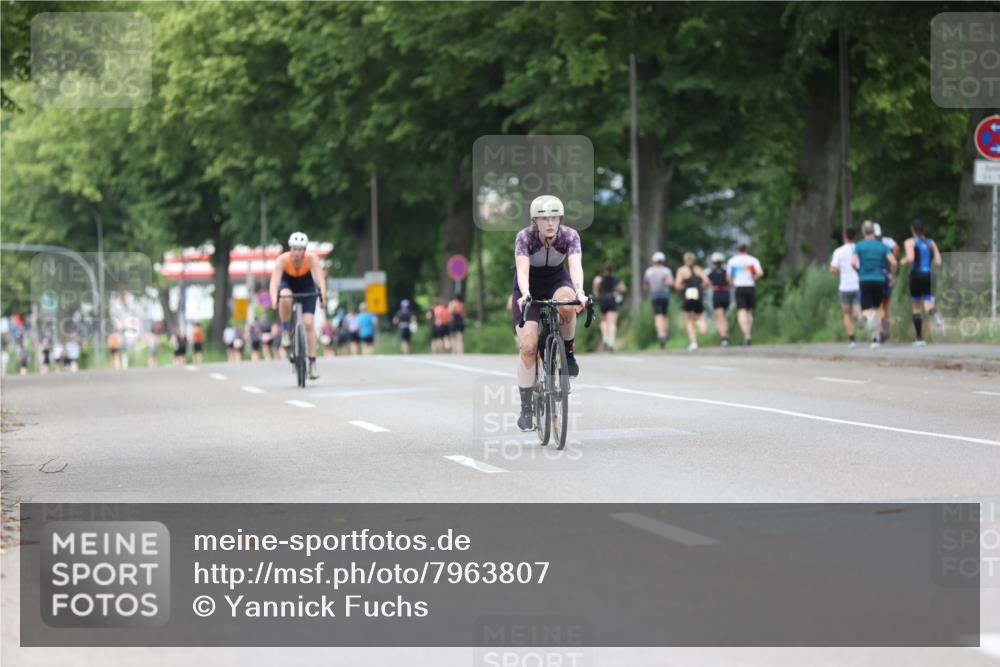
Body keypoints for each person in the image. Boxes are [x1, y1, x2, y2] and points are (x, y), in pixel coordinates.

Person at [512, 194, 588, 431]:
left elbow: (575, 266)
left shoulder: (569, 236)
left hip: (557, 279)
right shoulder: (525, 238)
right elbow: (522, 270)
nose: (550, 223)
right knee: (529, 347)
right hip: (529, 286)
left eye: (554, 217)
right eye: (544, 219)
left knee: (567, 304)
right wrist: (525, 293)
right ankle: (527, 409)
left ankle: (568, 349)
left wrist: (580, 291)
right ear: (534, 220)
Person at [269, 231, 327, 380]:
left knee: (308, 323)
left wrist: (323, 297)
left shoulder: (311, 258)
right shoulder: (282, 260)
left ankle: (313, 364)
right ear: (290, 249)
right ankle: (286, 331)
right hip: (288, 284)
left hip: (306, 286)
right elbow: (274, 282)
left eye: (300, 249)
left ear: (305, 250)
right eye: (294, 248)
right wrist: (274, 298)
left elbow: (320, 279)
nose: (297, 252)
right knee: (285, 296)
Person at [851, 220, 898, 348]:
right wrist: (893, 276)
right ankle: (875, 339)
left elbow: (853, 263)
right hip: (880, 280)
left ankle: (869, 318)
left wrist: (859, 272)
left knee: (866, 310)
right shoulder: (882, 246)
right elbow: (894, 263)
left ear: (863, 231)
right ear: (874, 231)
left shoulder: (859, 245)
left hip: (865, 279)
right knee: (878, 309)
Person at [900, 218, 944, 346]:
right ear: (923, 229)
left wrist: (903, 261)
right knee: (928, 304)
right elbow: (939, 262)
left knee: (916, 307)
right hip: (929, 275)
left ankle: (919, 339)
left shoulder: (910, 242)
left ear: (912, 230)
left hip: (916, 275)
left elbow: (910, 257)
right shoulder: (931, 243)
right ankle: (935, 314)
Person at [726, 244, 764, 346]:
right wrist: (754, 278)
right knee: (749, 312)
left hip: (739, 287)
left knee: (741, 311)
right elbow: (760, 273)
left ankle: (746, 334)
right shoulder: (752, 260)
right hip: (750, 286)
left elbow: (729, 277)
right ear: (747, 249)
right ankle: (748, 333)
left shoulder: (732, 261)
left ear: (737, 250)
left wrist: (732, 284)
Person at [830, 227, 860, 348]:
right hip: (858, 283)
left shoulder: (839, 251)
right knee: (858, 310)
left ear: (845, 237)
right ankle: (861, 317)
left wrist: (841, 271)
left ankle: (852, 339)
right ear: (855, 237)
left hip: (845, 285)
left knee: (847, 313)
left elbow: (833, 269)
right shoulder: (860, 249)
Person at [674, 253, 710, 351]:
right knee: (697, 316)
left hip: (689, 295)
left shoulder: (682, 270)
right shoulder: (698, 269)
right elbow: (706, 281)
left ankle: (693, 342)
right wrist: (700, 288)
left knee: (689, 320)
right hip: (698, 295)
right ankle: (701, 324)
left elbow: (677, 284)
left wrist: (683, 288)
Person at [873, 222, 900, 342]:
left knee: (876, 306)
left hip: (875, 276)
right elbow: (897, 248)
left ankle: (879, 331)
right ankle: (885, 330)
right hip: (887, 275)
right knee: (885, 305)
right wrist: (893, 258)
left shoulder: (870, 244)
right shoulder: (887, 241)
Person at [643, 251, 674, 348]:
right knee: (664, 315)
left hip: (654, 295)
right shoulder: (666, 271)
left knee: (658, 316)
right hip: (665, 295)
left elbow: (646, 286)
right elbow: (670, 283)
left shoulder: (649, 271)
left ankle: (660, 334)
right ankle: (664, 333)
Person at [593, 261, 626, 351]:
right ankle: (611, 341)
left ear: (605, 268)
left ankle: (605, 337)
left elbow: (595, 285)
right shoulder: (616, 278)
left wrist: (597, 294)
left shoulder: (600, 278)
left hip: (603, 300)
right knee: (612, 323)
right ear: (613, 269)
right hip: (612, 299)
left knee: (603, 321)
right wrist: (616, 289)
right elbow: (623, 288)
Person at [707, 252, 731, 347]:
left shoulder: (711, 273)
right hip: (726, 294)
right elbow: (730, 282)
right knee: (724, 316)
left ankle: (724, 337)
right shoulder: (726, 272)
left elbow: (706, 283)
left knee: (720, 317)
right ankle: (725, 333)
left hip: (717, 294)